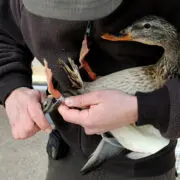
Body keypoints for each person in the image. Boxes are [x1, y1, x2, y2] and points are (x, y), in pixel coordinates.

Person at [1, 0, 180, 179]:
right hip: (65, 153)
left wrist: (147, 108)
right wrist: (12, 88)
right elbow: (5, 32)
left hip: (142, 166)